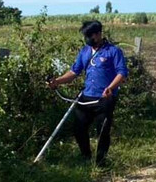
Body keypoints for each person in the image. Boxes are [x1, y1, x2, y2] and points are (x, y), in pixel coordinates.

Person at [47, 20, 128, 166]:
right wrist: (57, 81)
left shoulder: (113, 51)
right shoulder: (84, 51)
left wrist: (111, 88)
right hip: (86, 96)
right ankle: (86, 156)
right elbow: (74, 72)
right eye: (86, 36)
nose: (88, 39)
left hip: (105, 98)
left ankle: (100, 162)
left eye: (90, 35)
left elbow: (122, 73)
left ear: (98, 34)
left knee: (102, 131)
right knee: (79, 128)